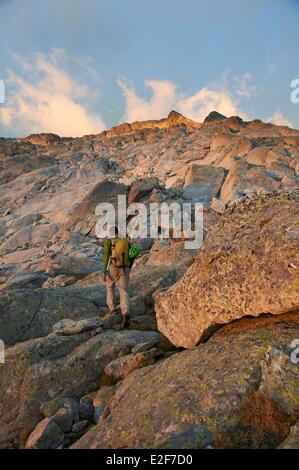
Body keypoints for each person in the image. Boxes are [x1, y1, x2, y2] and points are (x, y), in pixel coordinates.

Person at [102, 226, 132, 328]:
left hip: (113, 268)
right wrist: (128, 268)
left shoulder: (108, 241)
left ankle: (112, 309)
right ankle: (126, 313)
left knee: (110, 287)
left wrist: (104, 272)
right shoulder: (125, 240)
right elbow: (131, 255)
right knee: (124, 291)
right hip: (125, 268)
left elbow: (106, 256)